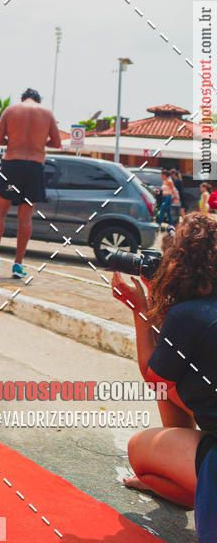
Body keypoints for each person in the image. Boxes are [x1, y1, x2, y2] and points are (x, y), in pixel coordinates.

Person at [111, 214, 217, 542]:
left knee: (139, 453)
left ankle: (176, 478)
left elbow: (154, 377)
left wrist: (140, 309)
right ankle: (186, 476)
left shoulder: (189, 315)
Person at [0, 88, 61, 279]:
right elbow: (57, 142)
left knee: (0, 211)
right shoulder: (47, 113)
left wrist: (15, 140)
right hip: (35, 167)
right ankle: (18, 264)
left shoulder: (11, 111)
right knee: (26, 217)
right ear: (38, 100)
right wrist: (38, 142)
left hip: (12, 164)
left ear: (23, 98)